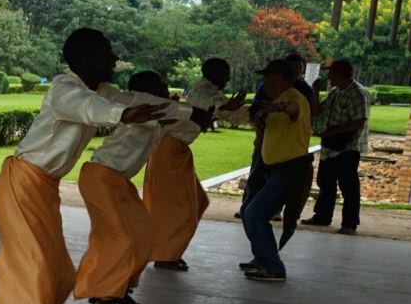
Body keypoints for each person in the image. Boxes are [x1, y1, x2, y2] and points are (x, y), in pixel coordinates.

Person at [0, 29, 168, 304]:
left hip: (43, 188)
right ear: (86, 61)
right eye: (107, 53)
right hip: (21, 184)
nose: (114, 60)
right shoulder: (64, 89)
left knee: (59, 277)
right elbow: (86, 107)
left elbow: (128, 99)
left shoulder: (98, 91)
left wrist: (184, 111)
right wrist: (122, 115)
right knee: (30, 279)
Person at [75, 72, 204, 304]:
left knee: (144, 234)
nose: (166, 87)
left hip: (118, 181)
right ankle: (103, 300)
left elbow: (186, 123)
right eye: (160, 86)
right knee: (121, 239)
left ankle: (119, 288)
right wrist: (189, 111)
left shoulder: (156, 114)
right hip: (100, 177)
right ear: (145, 93)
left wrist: (204, 113)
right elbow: (176, 115)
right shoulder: (141, 111)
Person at [145, 58, 246, 271]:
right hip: (169, 150)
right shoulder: (205, 91)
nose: (228, 77)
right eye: (225, 72)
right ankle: (165, 255)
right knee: (178, 208)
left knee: (196, 202)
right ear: (214, 73)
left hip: (177, 150)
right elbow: (221, 107)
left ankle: (169, 251)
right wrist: (230, 108)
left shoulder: (210, 90)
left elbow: (225, 109)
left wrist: (252, 113)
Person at [240, 59, 312, 282]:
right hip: (272, 170)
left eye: (267, 77)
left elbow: (293, 110)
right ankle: (262, 260)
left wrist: (278, 108)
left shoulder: (293, 98)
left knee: (255, 214)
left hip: (289, 170)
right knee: (247, 211)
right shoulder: (277, 100)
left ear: (280, 79)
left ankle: (273, 267)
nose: (264, 82)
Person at [303, 59, 371, 234]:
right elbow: (317, 111)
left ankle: (349, 223)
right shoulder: (334, 92)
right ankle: (322, 216)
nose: (329, 77)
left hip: (348, 147)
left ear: (341, 75)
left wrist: (332, 133)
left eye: (332, 73)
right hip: (330, 146)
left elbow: (360, 121)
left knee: (348, 186)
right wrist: (316, 92)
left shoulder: (358, 93)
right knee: (325, 181)